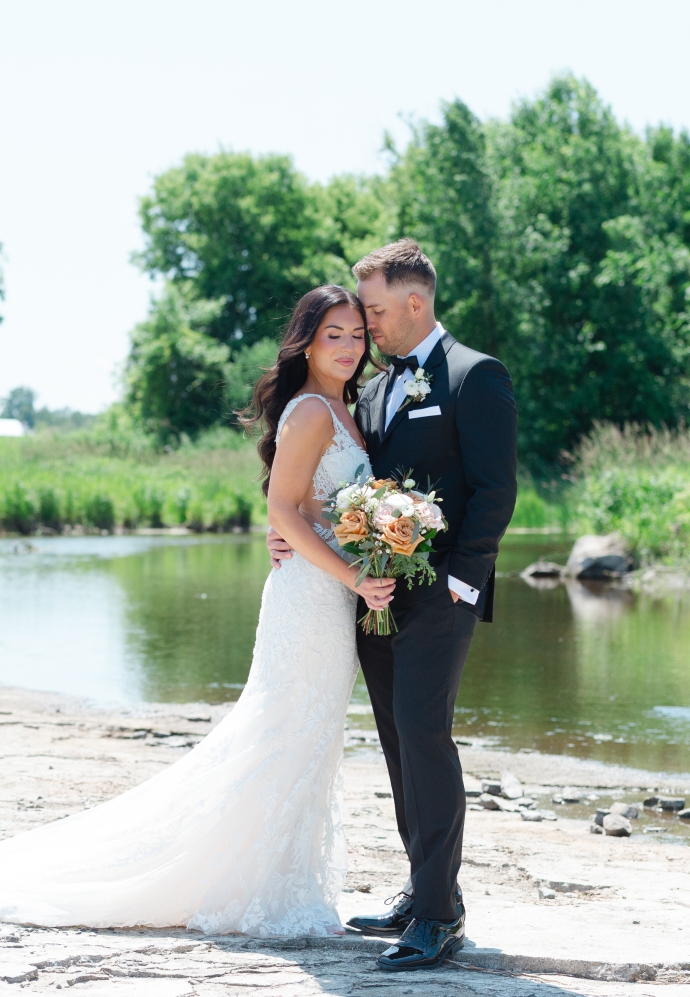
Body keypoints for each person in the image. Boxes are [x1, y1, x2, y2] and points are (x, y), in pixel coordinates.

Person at [0, 284, 396, 937]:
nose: (347, 347)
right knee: (277, 733)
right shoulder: (313, 411)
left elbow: (316, 507)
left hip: (332, 598)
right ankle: (251, 885)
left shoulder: (346, 409)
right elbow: (282, 511)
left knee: (304, 737)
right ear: (307, 341)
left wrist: (371, 540)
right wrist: (354, 571)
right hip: (310, 597)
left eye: (355, 335)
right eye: (333, 335)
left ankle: (275, 878)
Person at [269, 239, 517, 970]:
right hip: (372, 598)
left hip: (442, 594)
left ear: (415, 301)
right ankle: (422, 886)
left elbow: (496, 490)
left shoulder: (476, 376)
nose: (368, 325)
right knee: (397, 741)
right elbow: (326, 478)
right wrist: (288, 529)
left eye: (374, 309)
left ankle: (442, 916)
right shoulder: (373, 389)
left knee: (425, 735)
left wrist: (462, 584)